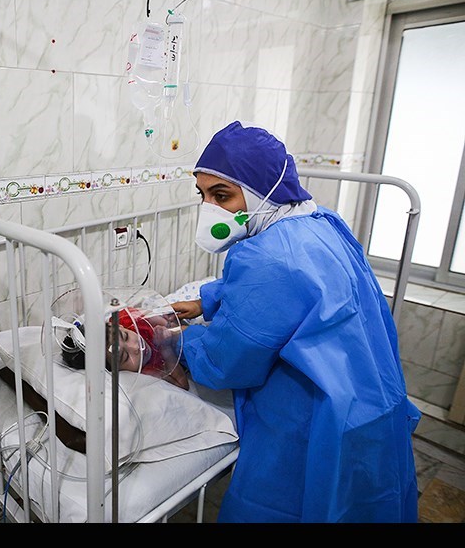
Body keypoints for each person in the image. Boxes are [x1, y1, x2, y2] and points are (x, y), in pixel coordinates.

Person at [170, 120, 421, 523]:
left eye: (222, 195)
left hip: (321, 419)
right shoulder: (322, 223)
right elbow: (302, 288)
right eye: (203, 195)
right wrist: (207, 300)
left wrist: (179, 341)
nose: (209, 209)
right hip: (374, 398)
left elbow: (226, 362)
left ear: (261, 191)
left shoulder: (263, 257)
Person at [58, 308, 190, 391]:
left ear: (118, 325)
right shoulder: (148, 372)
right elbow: (182, 385)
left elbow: (149, 314)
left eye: (126, 336)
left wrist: (166, 323)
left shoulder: (128, 319)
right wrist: (166, 348)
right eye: (125, 357)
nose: (136, 347)